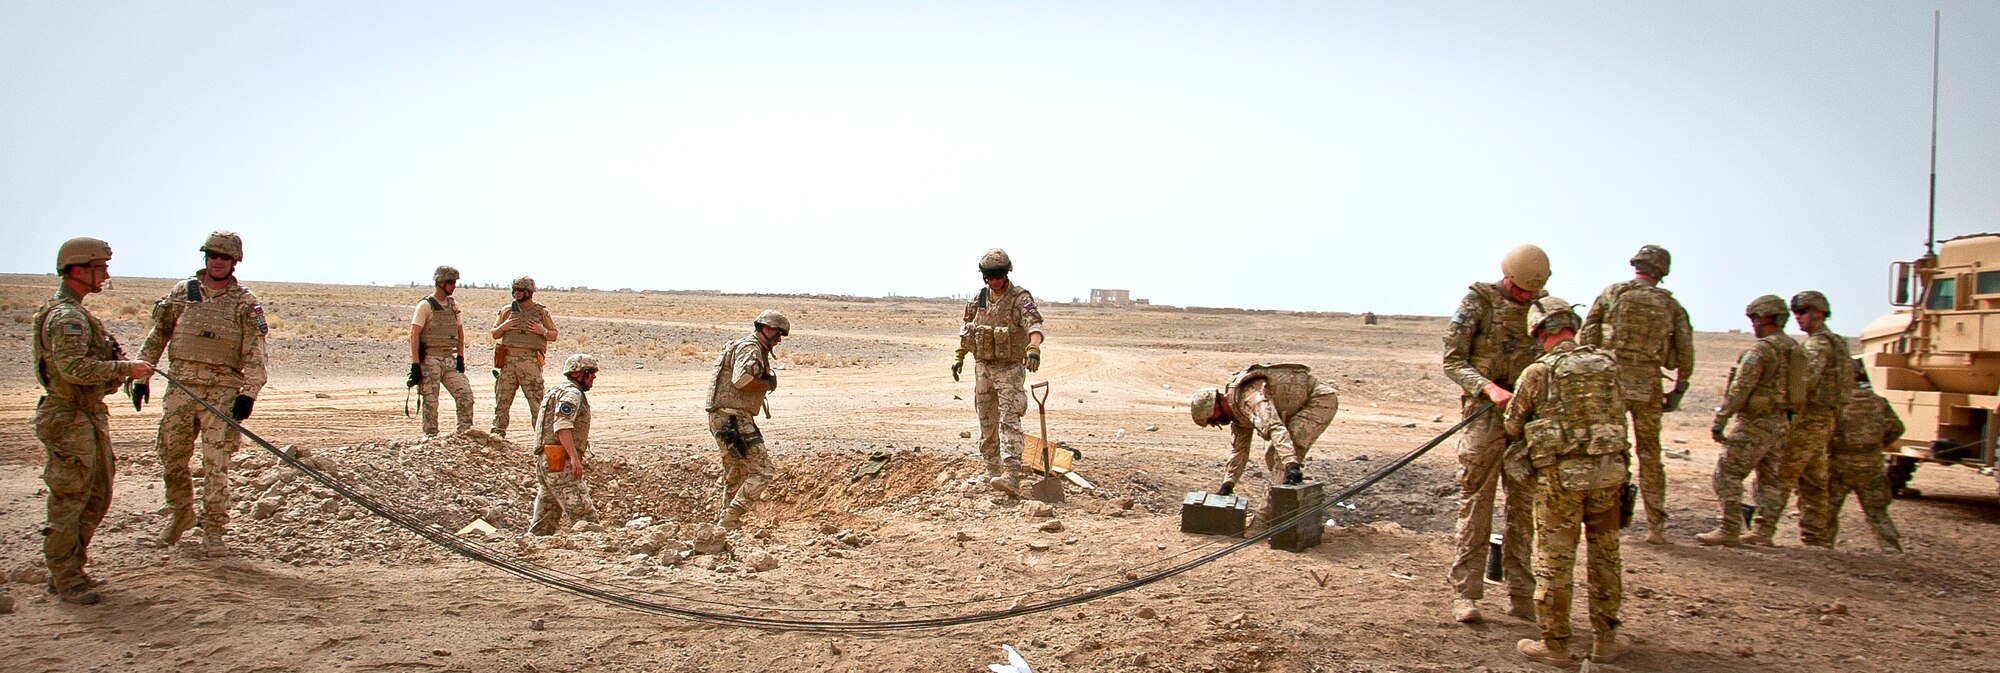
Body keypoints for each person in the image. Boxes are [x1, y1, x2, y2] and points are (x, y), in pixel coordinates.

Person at [1503, 296, 1633, 665]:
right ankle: (1606, 640)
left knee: (1555, 563)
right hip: (1609, 476)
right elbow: (1621, 414)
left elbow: (1512, 425)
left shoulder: (1538, 372)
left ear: (1540, 330)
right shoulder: (1609, 364)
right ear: (1572, 327)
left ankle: (1556, 644)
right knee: (1606, 556)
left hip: (1561, 482)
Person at [33, 237, 153, 604]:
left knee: (97, 494)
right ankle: (64, 577)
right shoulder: (67, 317)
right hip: (68, 415)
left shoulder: (80, 314)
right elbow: (73, 369)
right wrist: (125, 368)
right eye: (100, 267)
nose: (105, 274)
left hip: (86, 414)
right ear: (78, 270)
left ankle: (74, 567)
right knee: (70, 497)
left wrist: (119, 369)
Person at [137, 230, 270, 557]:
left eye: (224, 257)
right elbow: (158, 336)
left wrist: (248, 393)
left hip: (222, 392)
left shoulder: (245, 303)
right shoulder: (182, 294)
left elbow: (256, 352)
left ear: (234, 262)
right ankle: (181, 513)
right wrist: (141, 373)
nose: (217, 261)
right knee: (172, 457)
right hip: (181, 389)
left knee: (216, 464)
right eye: (212, 255)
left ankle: (213, 529)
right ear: (205, 258)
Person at [1440, 244, 1548, 623]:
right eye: (1520, 292)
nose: (1525, 298)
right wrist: (1487, 387)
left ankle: (1522, 595)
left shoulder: (1545, 307)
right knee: (1476, 504)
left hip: (1528, 420)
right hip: (1485, 415)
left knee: (1524, 508)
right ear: (1507, 278)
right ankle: (1465, 594)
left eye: (1531, 293)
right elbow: (1453, 359)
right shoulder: (1478, 302)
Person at [1579, 244, 1694, 544]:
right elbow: (1685, 351)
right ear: (1662, 272)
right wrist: (1679, 389)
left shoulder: (1613, 293)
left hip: (1612, 381)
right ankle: (1656, 527)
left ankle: (1610, 519)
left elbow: (1588, 334)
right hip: (1648, 386)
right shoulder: (1671, 305)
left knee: (1613, 450)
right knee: (1650, 455)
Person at [1697, 295, 1805, 546]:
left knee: (1727, 473)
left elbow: (1740, 388)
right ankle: (1763, 532)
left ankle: (1729, 528)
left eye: (1757, 318)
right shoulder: (1795, 349)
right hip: (1781, 424)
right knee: (1770, 479)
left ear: (1770, 319)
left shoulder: (1761, 351)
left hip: (1755, 423)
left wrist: (1721, 419)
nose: (1754, 324)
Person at [1746, 290, 1850, 547]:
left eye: (1803, 312)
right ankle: (1816, 537)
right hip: (1825, 419)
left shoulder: (1817, 345)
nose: (1799, 318)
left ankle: (1763, 529)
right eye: (1796, 313)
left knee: (1783, 472)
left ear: (1819, 313)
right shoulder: (1838, 342)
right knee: (1814, 480)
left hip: (1809, 419)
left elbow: (1806, 381)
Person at [951, 248, 1046, 496]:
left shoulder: (1019, 298)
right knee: (986, 419)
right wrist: (960, 355)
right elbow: (968, 328)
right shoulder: (980, 298)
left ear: (1007, 273)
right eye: (990, 276)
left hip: (1009, 369)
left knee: (1009, 419)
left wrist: (1033, 347)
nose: (995, 281)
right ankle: (992, 470)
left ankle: (1011, 474)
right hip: (983, 367)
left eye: (999, 275)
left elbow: (1034, 323)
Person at [1187, 364, 1340, 496]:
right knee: (1271, 455)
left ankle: (1265, 521)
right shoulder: (1237, 413)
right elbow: (1239, 451)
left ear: (1214, 410)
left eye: (1211, 421)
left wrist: (1290, 464)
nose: (1214, 425)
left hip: (1319, 400)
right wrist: (1228, 484)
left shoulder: (1250, 399)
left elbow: (1275, 427)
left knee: (1282, 460)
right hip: (1301, 406)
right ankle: (1291, 501)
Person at [706, 310, 788, 529]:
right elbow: (741, 380)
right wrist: (767, 384)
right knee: (763, 471)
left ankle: (725, 526)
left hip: (721, 417)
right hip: (734, 418)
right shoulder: (751, 348)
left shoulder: (742, 345)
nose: (779, 340)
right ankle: (731, 517)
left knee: (735, 473)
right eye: (778, 334)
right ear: (767, 329)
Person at [1827, 362, 1904, 552]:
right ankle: (1891, 549)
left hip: (1840, 466)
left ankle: (1823, 548)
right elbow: (1897, 428)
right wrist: (1876, 445)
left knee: (1827, 511)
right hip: (1871, 466)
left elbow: (1824, 434)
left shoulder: (1835, 403)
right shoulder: (1878, 401)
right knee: (1877, 512)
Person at [529, 354, 600, 535]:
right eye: (590, 373)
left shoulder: (556, 391)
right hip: (560, 463)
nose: (593, 377)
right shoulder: (572, 394)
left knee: (543, 524)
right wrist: (574, 459)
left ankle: (529, 550)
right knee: (586, 519)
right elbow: (562, 426)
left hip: (547, 463)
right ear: (578, 374)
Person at [408, 265, 474, 436]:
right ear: (440, 283)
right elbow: (414, 335)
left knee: (465, 395)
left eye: (455, 282)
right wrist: (415, 364)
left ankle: (464, 434)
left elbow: (459, 331)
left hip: (449, 359)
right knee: (431, 401)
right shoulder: (425, 306)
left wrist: (460, 357)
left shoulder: (453, 306)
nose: (454, 286)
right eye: (451, 282)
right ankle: (431, 438)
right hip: (430, 358)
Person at [490, 275, 557, 438]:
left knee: (537, 403)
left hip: (530, 362)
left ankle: (542, 438)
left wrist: (543, 331)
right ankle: (498, 434)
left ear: (529, 292)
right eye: (514, 291)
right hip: (508, 361)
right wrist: (504, 326)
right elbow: (494, 334)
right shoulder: (507, 311)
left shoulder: (541, 312)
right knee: (502, 401)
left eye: (520, 291)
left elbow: (554, 335)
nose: (516, 294)